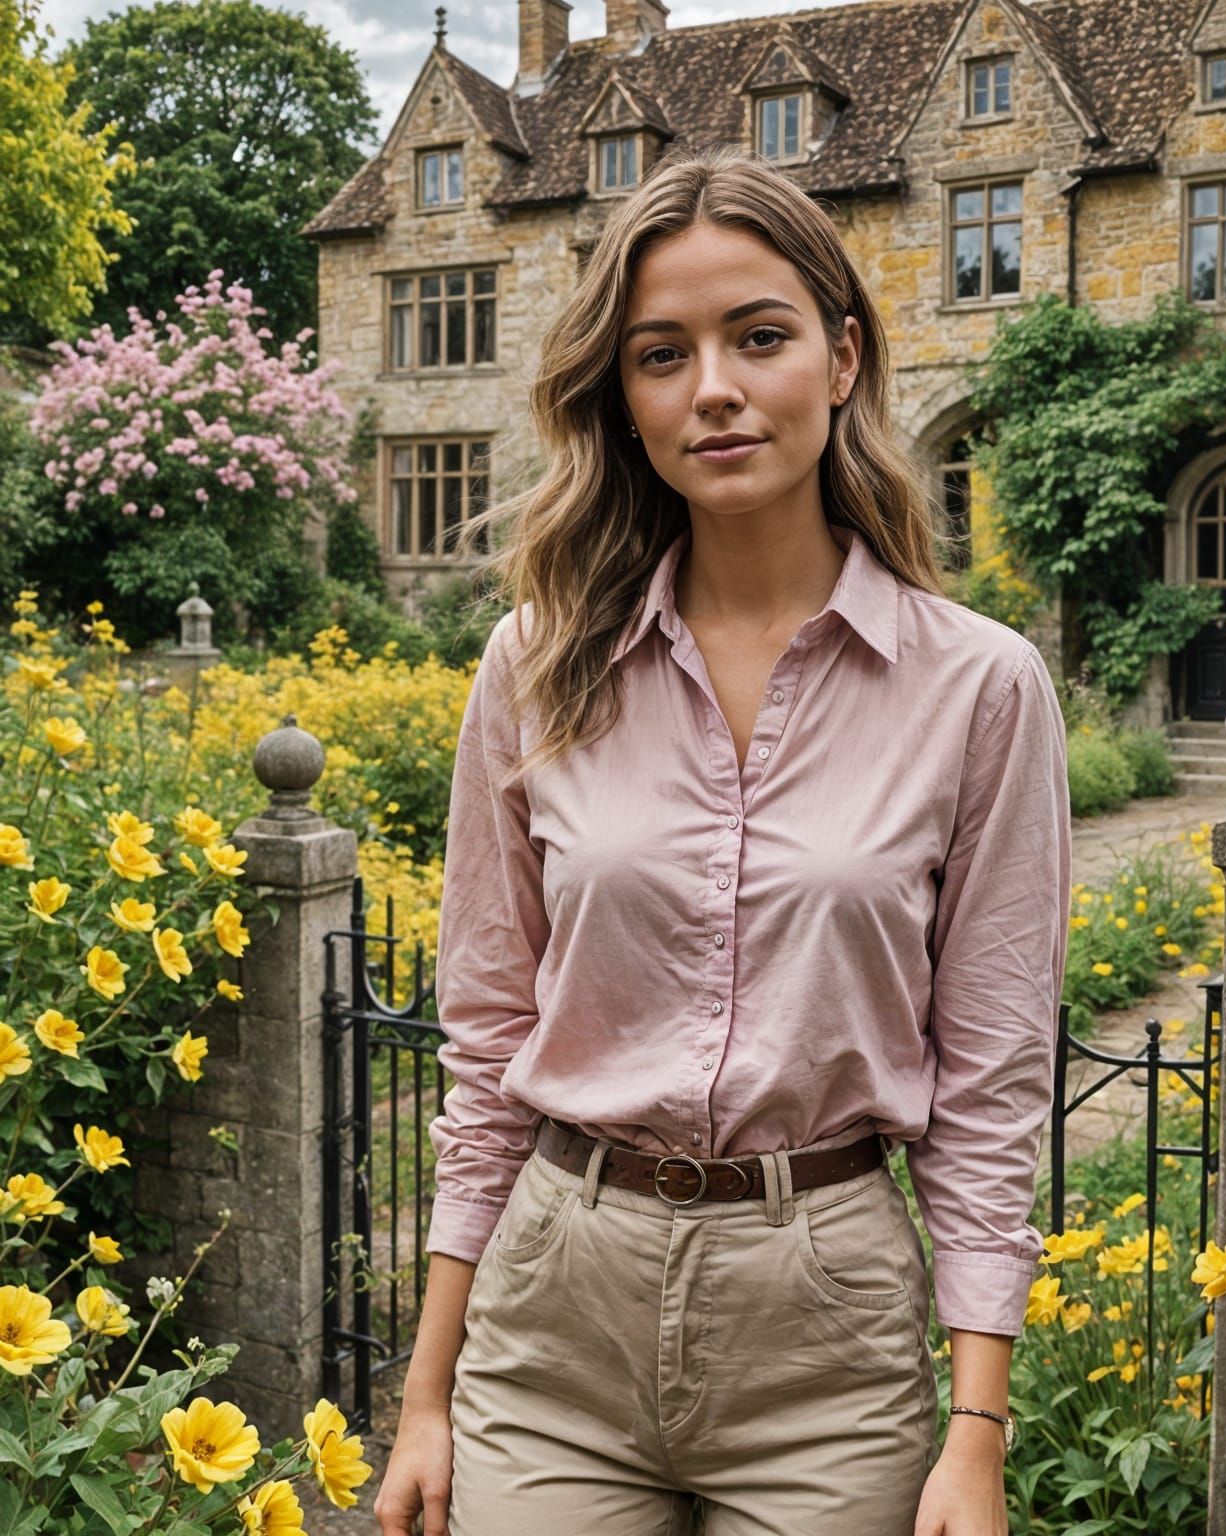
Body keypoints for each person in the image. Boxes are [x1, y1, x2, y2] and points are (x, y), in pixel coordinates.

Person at [372, 144, 1071, 1536]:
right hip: (555, 1315)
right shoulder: (536, 667)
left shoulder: (980, 686)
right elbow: (487, 1043)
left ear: (843, 356)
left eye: (759, 336)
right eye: (660, 354)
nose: (715, 390)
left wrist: (976, 1435)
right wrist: (427, 1398)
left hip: (824, 1330)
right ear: (622, 399)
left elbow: (993, 1084)